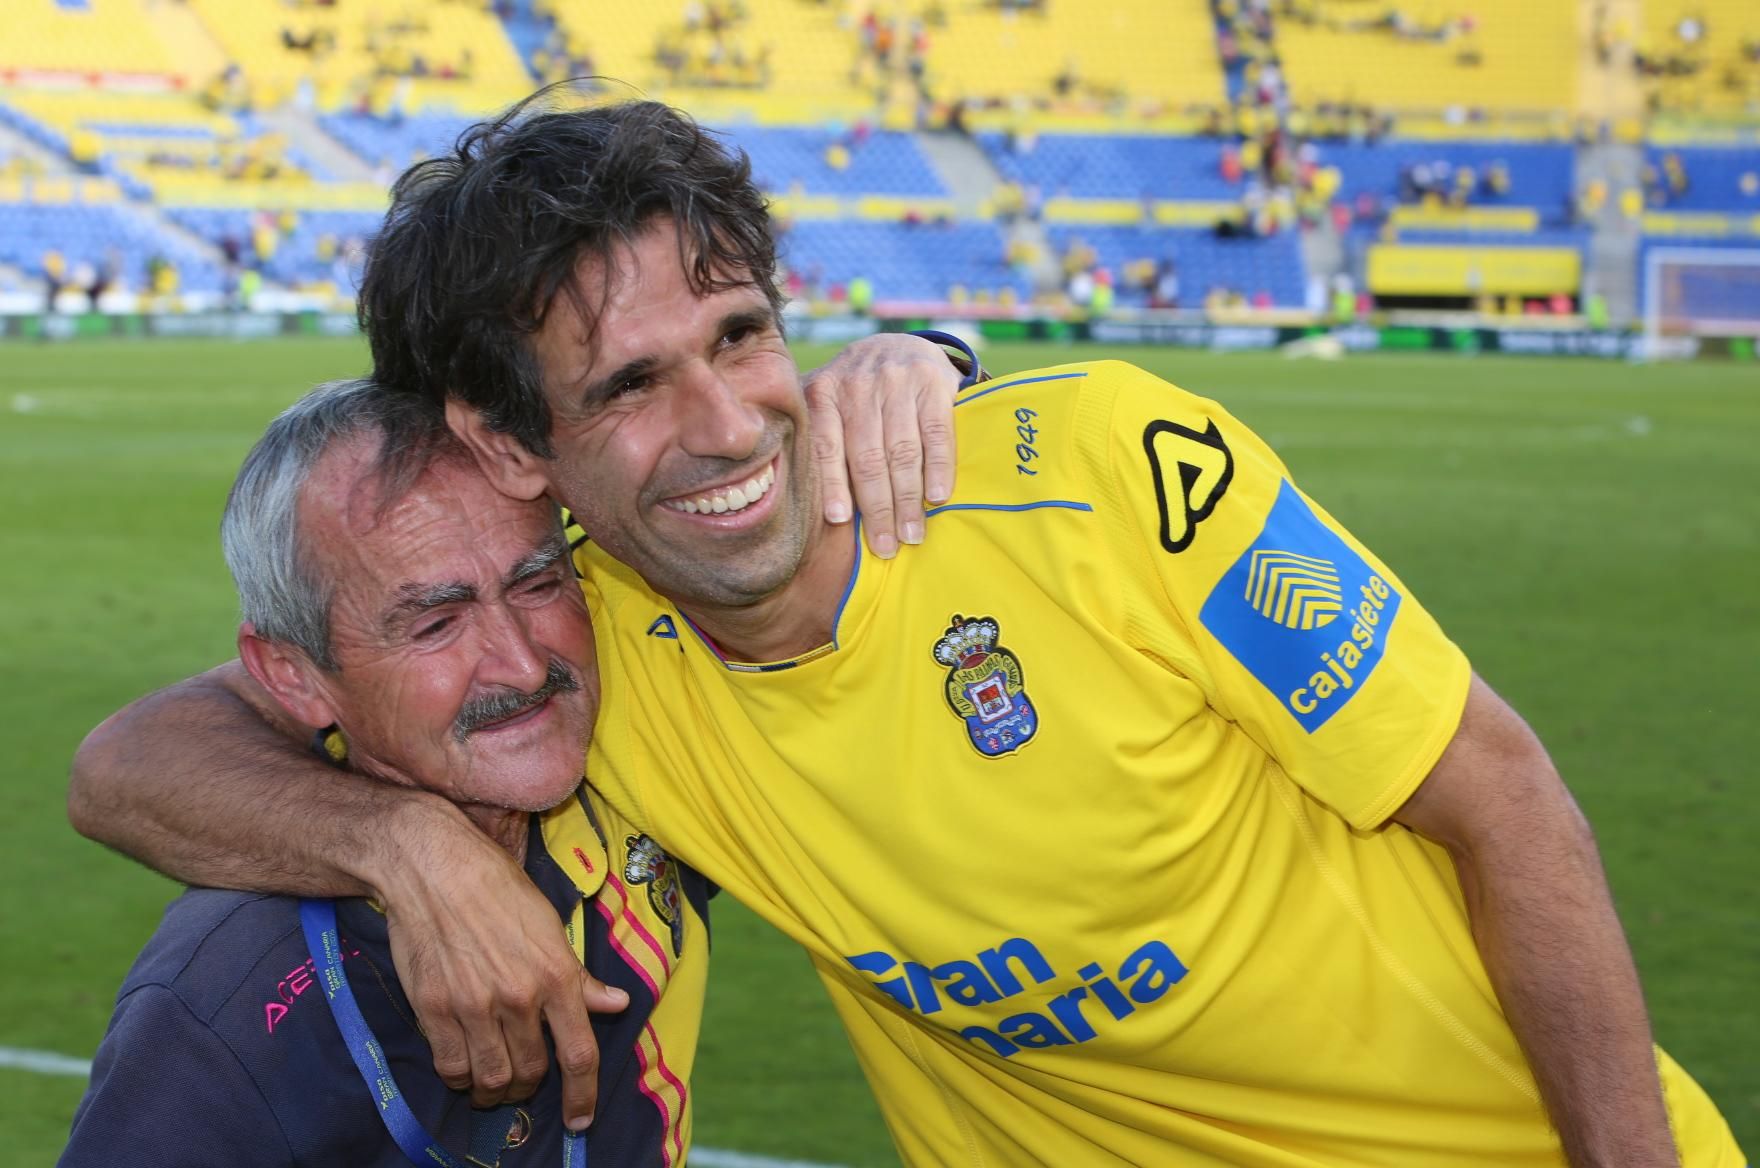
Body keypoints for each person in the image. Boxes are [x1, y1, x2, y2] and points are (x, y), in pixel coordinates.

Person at [72, 96, 1745, 1167]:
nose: (729, 422)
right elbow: (134, 758)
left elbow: (1504, 794)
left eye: (742, 335)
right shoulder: (585, 667)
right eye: (633, 386)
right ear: (526, 451)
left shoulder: (1114, 474)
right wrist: (400, 849)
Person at [62, 380, 708, 1166]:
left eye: (538, 583)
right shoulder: (226, 1006)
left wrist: (891, 370)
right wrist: (410, 845)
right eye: (436, 624)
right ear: (293, 675)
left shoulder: (640, 744)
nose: (522, 662)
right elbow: (115, 762)